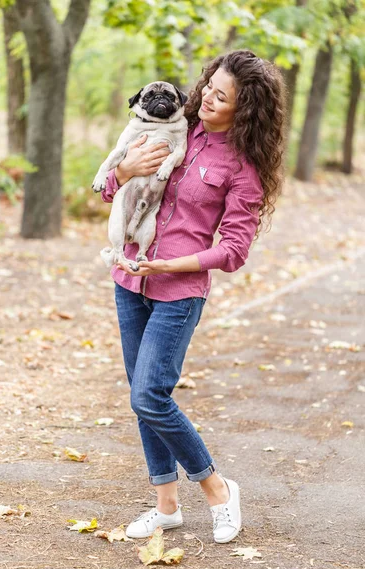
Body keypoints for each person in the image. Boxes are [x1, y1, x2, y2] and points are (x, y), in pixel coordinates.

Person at [101, 50, 285, 543]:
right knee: (142, 400)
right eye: (209, 86)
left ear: (244, 110)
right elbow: (109, 192)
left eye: (221, 97)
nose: (206, 97)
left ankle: (218, 490)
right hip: (129, 281)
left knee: (150, 395)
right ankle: (165, 506)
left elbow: (234, 249)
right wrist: (121, 173)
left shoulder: (243, 167)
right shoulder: (169, 123)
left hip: (178, 292)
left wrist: (174, 263)